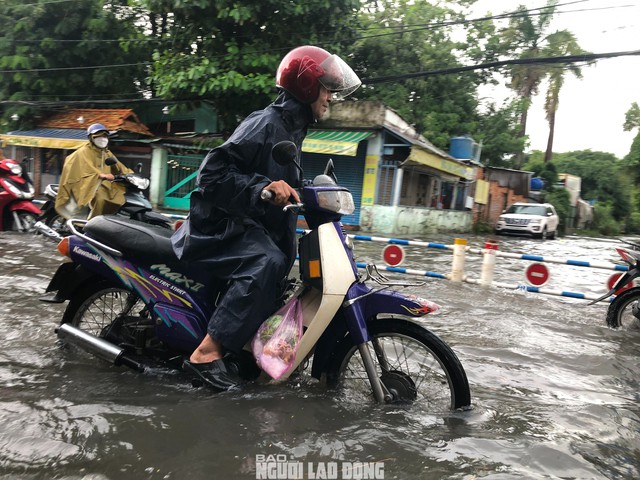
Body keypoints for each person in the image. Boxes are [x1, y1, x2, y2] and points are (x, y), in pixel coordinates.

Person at [172, 45, 361, 391]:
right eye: (327, 88)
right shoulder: (266, 123)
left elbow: (281, 181)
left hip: (247, 226)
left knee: (284, 270)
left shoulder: (293, 129)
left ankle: (245, 351)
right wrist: (262, 189)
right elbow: (210, 176)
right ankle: (206, 354)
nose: (331, 97)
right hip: (217, 227)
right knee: (267, 260)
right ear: (306, 87)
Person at [55, 123, 133, 220]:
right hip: (84, 183)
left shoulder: (106, 152)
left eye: (105, 136)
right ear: (91, 138)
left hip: (103, 183)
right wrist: (102, 175)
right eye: (98, 136)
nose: (102, 139)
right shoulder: (84, 151)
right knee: (101, 198)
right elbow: (87, 168)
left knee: (118, 195)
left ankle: (108, 220)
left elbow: (119, 165)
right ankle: (93, 224)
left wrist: (130, 174)